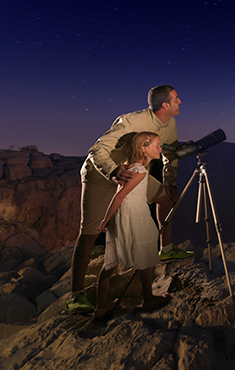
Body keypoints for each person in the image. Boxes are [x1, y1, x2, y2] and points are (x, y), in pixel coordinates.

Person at [66, 85, 194, 314]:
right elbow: (96, 150)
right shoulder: (130, 121)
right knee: (89, 232)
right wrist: (113, 172)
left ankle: (166, 249)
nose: (180, 102)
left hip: (133, 175)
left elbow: (170, 155)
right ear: (165, 105)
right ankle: (76, 295)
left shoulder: (170, 125)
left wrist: (169, 182)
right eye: (176, 99)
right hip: (101, 177)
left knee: (166, 198)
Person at [95, 132, 171, 318]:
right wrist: (104, 221)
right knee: (143, 258)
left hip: (126, 214)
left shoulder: (129, 167)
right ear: (144, 149)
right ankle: (148, 300)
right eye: (157, 145)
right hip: (134, 215)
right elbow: (120, 196)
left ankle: (102, 305)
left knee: (111, 263)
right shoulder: (141, 171)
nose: (160, 149)